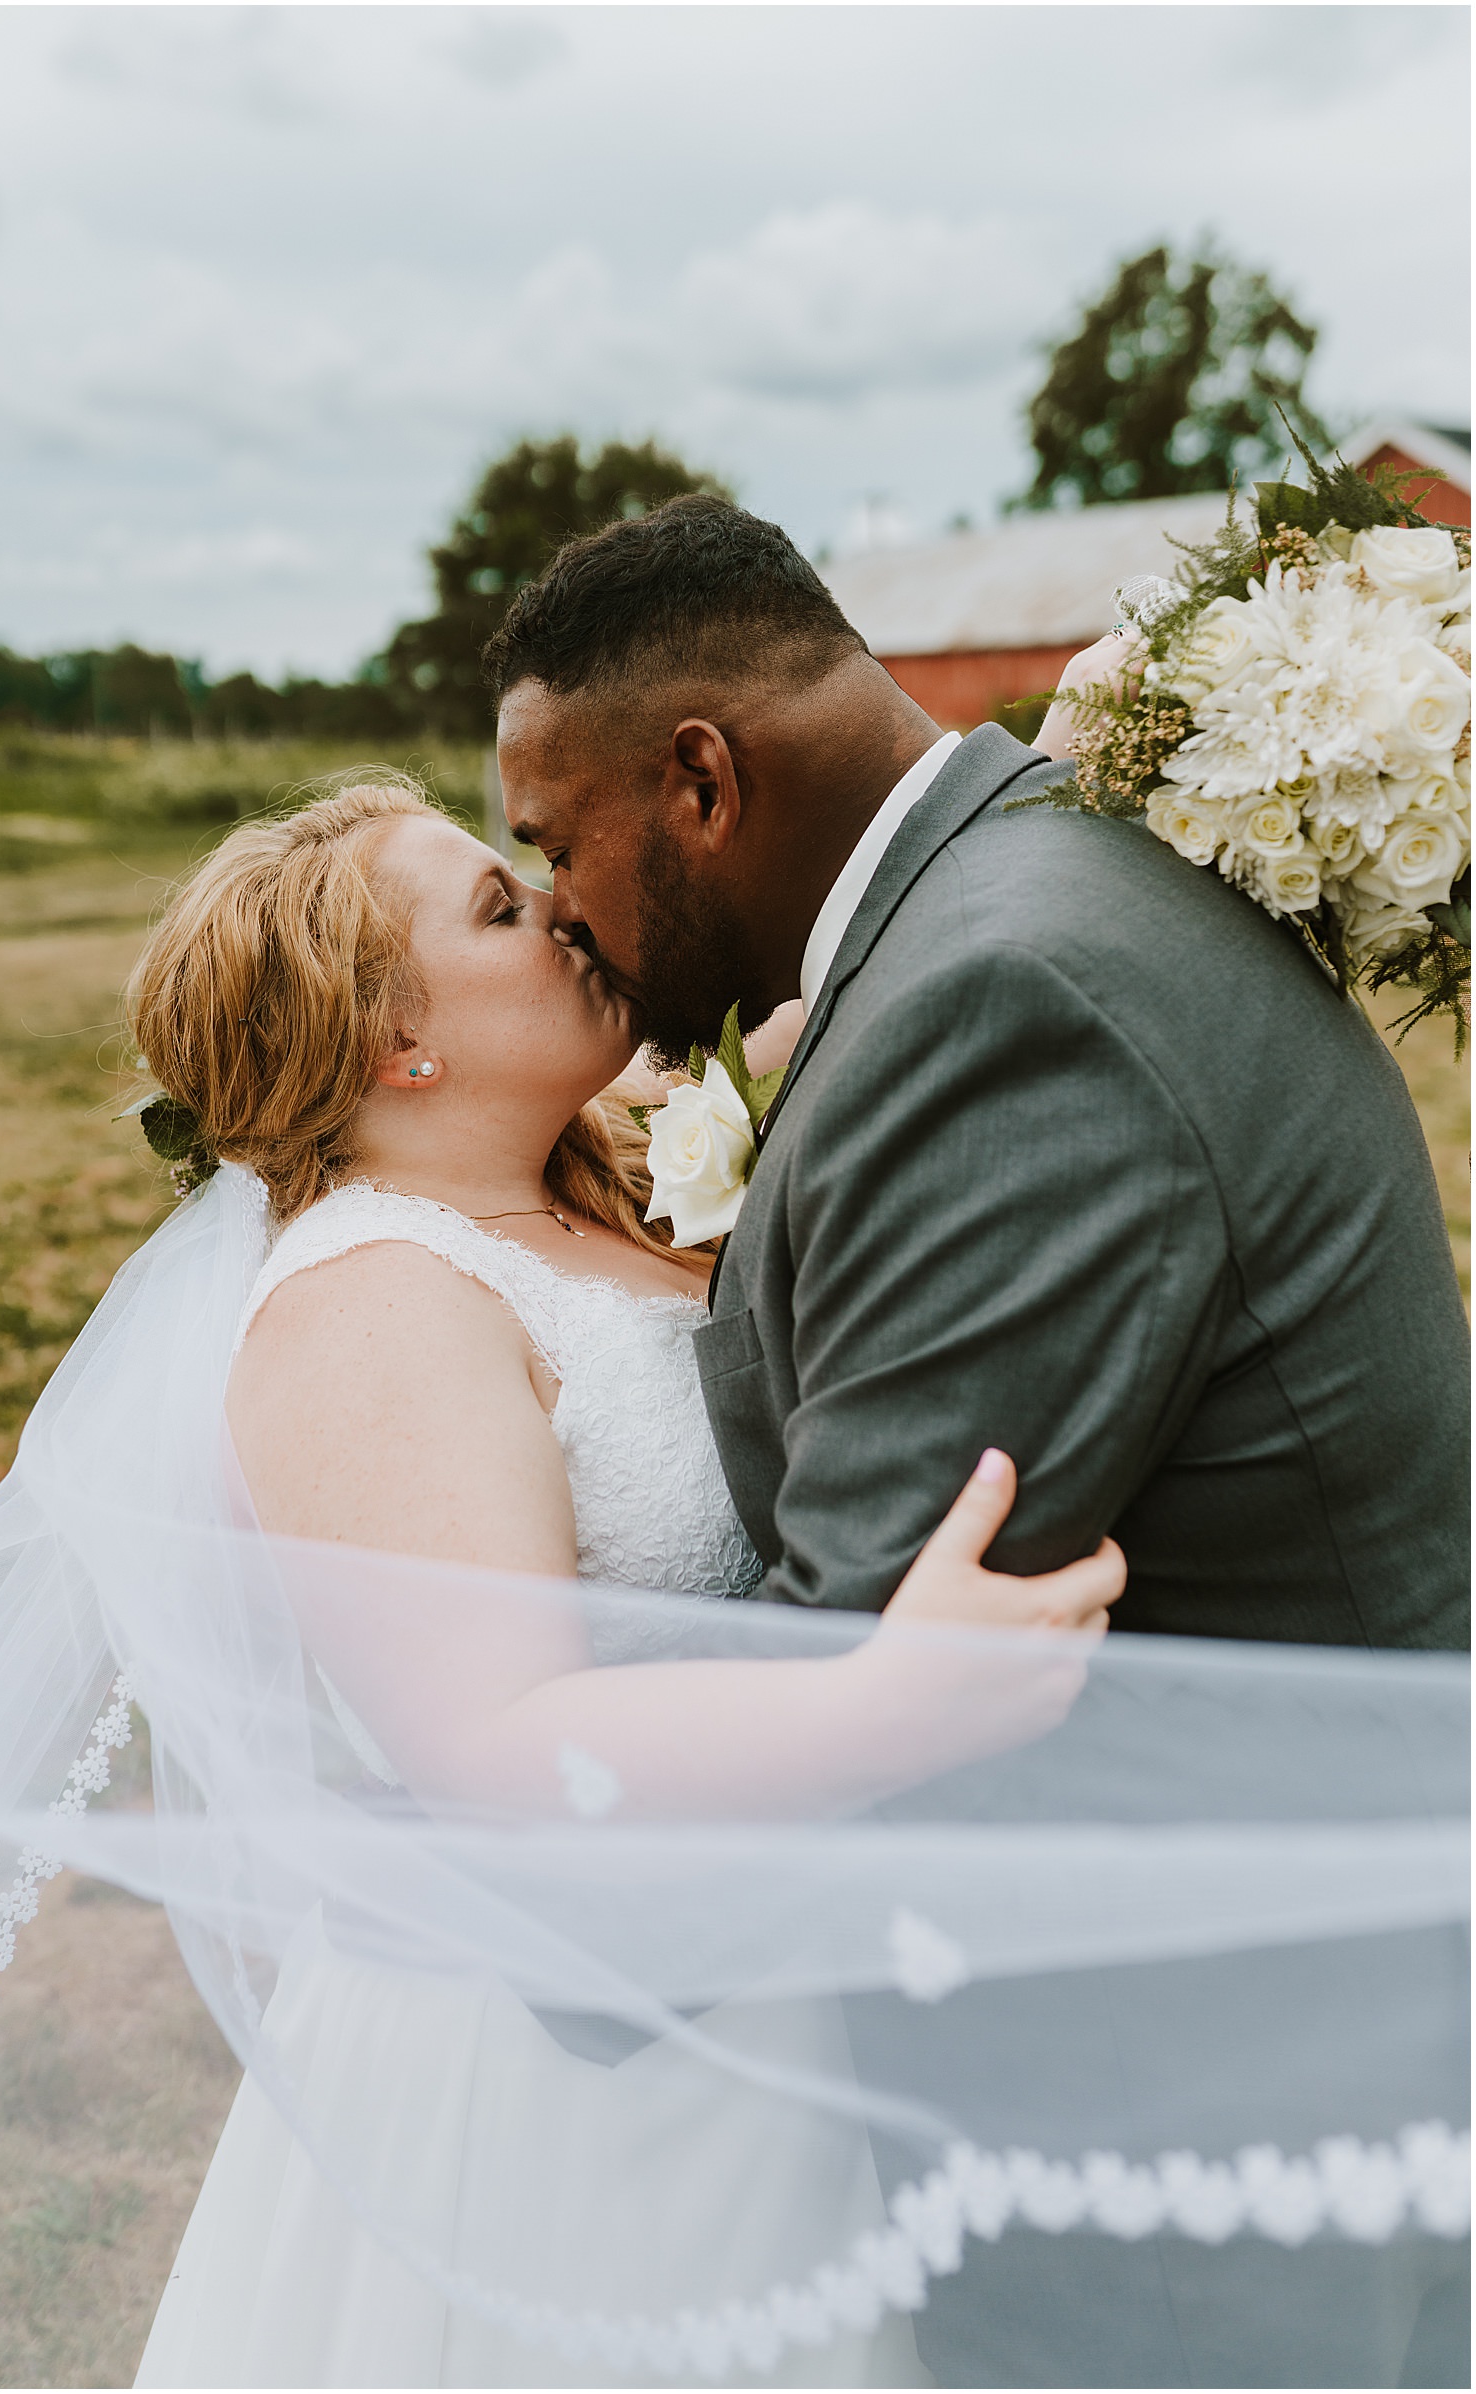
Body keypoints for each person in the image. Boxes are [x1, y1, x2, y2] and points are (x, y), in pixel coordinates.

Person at [484, 494, 1472, 2385]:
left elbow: (868, 1628)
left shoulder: (1006, 1005)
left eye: (557, 844)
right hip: (1290, 2036)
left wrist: (491, 1902)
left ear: (698, 778)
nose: (566, 917)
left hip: (1179, 2144)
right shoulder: (1033, 887)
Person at [117, 779, 1118, 2388]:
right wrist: (882, 1699)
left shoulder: (593, 1180)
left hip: (766, 1987)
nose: (562, 910)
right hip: (570, 2083)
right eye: (503, 912)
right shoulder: (370, 1305)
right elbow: (495, 1746)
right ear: (399, 1047)